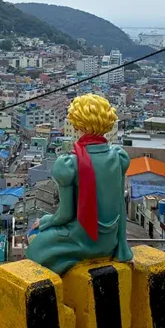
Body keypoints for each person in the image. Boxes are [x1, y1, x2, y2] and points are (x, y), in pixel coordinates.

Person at [26, 93, 132, 275]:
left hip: (83, 239)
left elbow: (65, 215)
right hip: (110, 242)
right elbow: (120, 205)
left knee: (34, 243)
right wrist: (122, 245)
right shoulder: (118, 156)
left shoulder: (69, 163)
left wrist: (44, 221)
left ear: (77, 124)